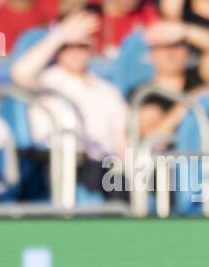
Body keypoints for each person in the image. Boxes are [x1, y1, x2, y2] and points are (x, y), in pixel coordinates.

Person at [10, 11, 129, 198]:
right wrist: (59, 35)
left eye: (81, 46)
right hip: (59, 160)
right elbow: (20, 73)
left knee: (145, 176)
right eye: (67, 46)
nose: (75, 52)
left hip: (105, 162)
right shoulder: (47, 80)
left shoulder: (107, 89)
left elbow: (121, 135)